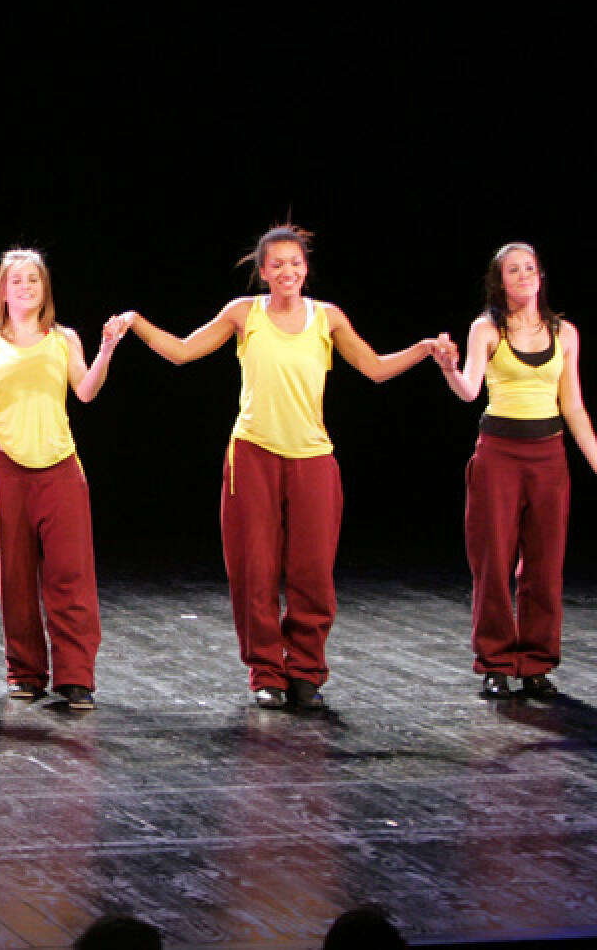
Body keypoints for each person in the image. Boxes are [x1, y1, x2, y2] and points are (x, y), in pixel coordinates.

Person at [120, 223, 442, 710]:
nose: (288, 271)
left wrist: (425, 350)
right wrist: (136, 323)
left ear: (305, 268)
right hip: (253, 454)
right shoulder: (244, 313)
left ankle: (306, 669)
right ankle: (267, 671)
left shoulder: (327, 317)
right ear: (263, 271)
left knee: (312, 571)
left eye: (295, 262)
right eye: (278, 264)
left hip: (313, 458)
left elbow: (374, 368)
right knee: (255, 570)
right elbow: (184, 352)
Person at [434, 242, 596, 700]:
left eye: (529, 268)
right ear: (499, 281)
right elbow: (469, 390)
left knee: (545, 564)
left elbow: (573, 406)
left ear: (541, 276)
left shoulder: (565, 333)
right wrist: (448, 368)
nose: (523, 276)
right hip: (499, 456)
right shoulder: (486, 329)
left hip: (549, 457)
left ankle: (537, 663)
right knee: (493, 560)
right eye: (513, 270)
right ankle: (496, 662)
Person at [0, 248, 123, 709]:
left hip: (59, 466)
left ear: (44, 288)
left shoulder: (63, 338)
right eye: (16, 280)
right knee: (15, 578)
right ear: (2, 290)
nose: (25, 287)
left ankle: (76, 675)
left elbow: (85, 391)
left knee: (71, 574)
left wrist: (107, 349)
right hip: (6, 470)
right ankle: (25, 671)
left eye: (33, 280)